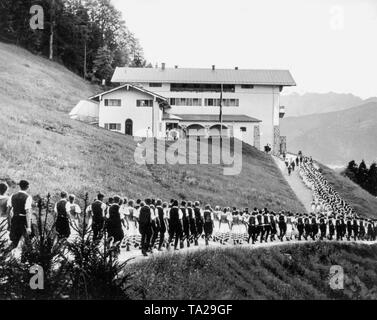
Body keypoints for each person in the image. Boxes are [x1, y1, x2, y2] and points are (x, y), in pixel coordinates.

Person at [7, 180, 33, 248]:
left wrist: (9, 223)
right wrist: (29, 227)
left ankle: (4, 255)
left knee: (14, 242)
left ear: (20, 186)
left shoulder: (12, 196)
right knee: (28, 242)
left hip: (15, 220)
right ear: (27, 187)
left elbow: (8, 211)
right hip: (23, 220)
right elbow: (28, 212)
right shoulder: (28, 197)